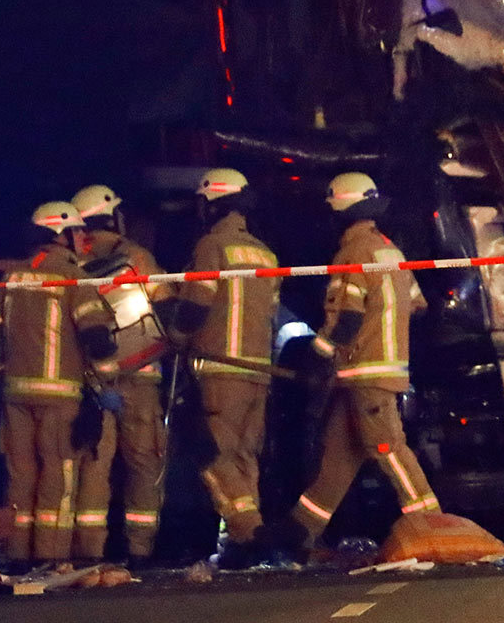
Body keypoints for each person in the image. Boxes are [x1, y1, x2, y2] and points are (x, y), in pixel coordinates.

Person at [282, 173, 440, 551]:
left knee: (387, 447)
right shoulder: (390, 250)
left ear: (340, 210)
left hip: (364, 372)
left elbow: (346, 318)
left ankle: (433, 525)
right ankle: (298, 533)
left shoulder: (352, 253)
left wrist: (316, 355)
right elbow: (417, 304)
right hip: (382, 370)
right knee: (337, 458)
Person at [0, 201, 117, 569]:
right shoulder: (72, 277)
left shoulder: (12, 277)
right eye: (77, 232)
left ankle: (17, 554)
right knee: (58, 478)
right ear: (60, 234)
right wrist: (107, 381)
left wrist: (0, 375)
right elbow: (96, 338)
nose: (81, 239)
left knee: (21, 476)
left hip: (14, 396)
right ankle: (51, 555)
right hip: (61, 398)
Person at [168, 168, 281, 569]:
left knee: (212, 455)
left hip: (220, 370)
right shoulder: (265, 253)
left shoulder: (211, 246)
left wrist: (176, 337)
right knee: (245, 457)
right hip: (259, 372)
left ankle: (248, 528)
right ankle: (244, 542)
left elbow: (197, 303)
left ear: (212, 203)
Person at [69, 184, 171, 564]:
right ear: (114, 216)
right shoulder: (139, 259)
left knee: (95, 462)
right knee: (144, 462)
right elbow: (166, 307)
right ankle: (139, 549)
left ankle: (88, 551)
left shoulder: (74, 262)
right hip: (142, 376)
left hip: (94, 380)